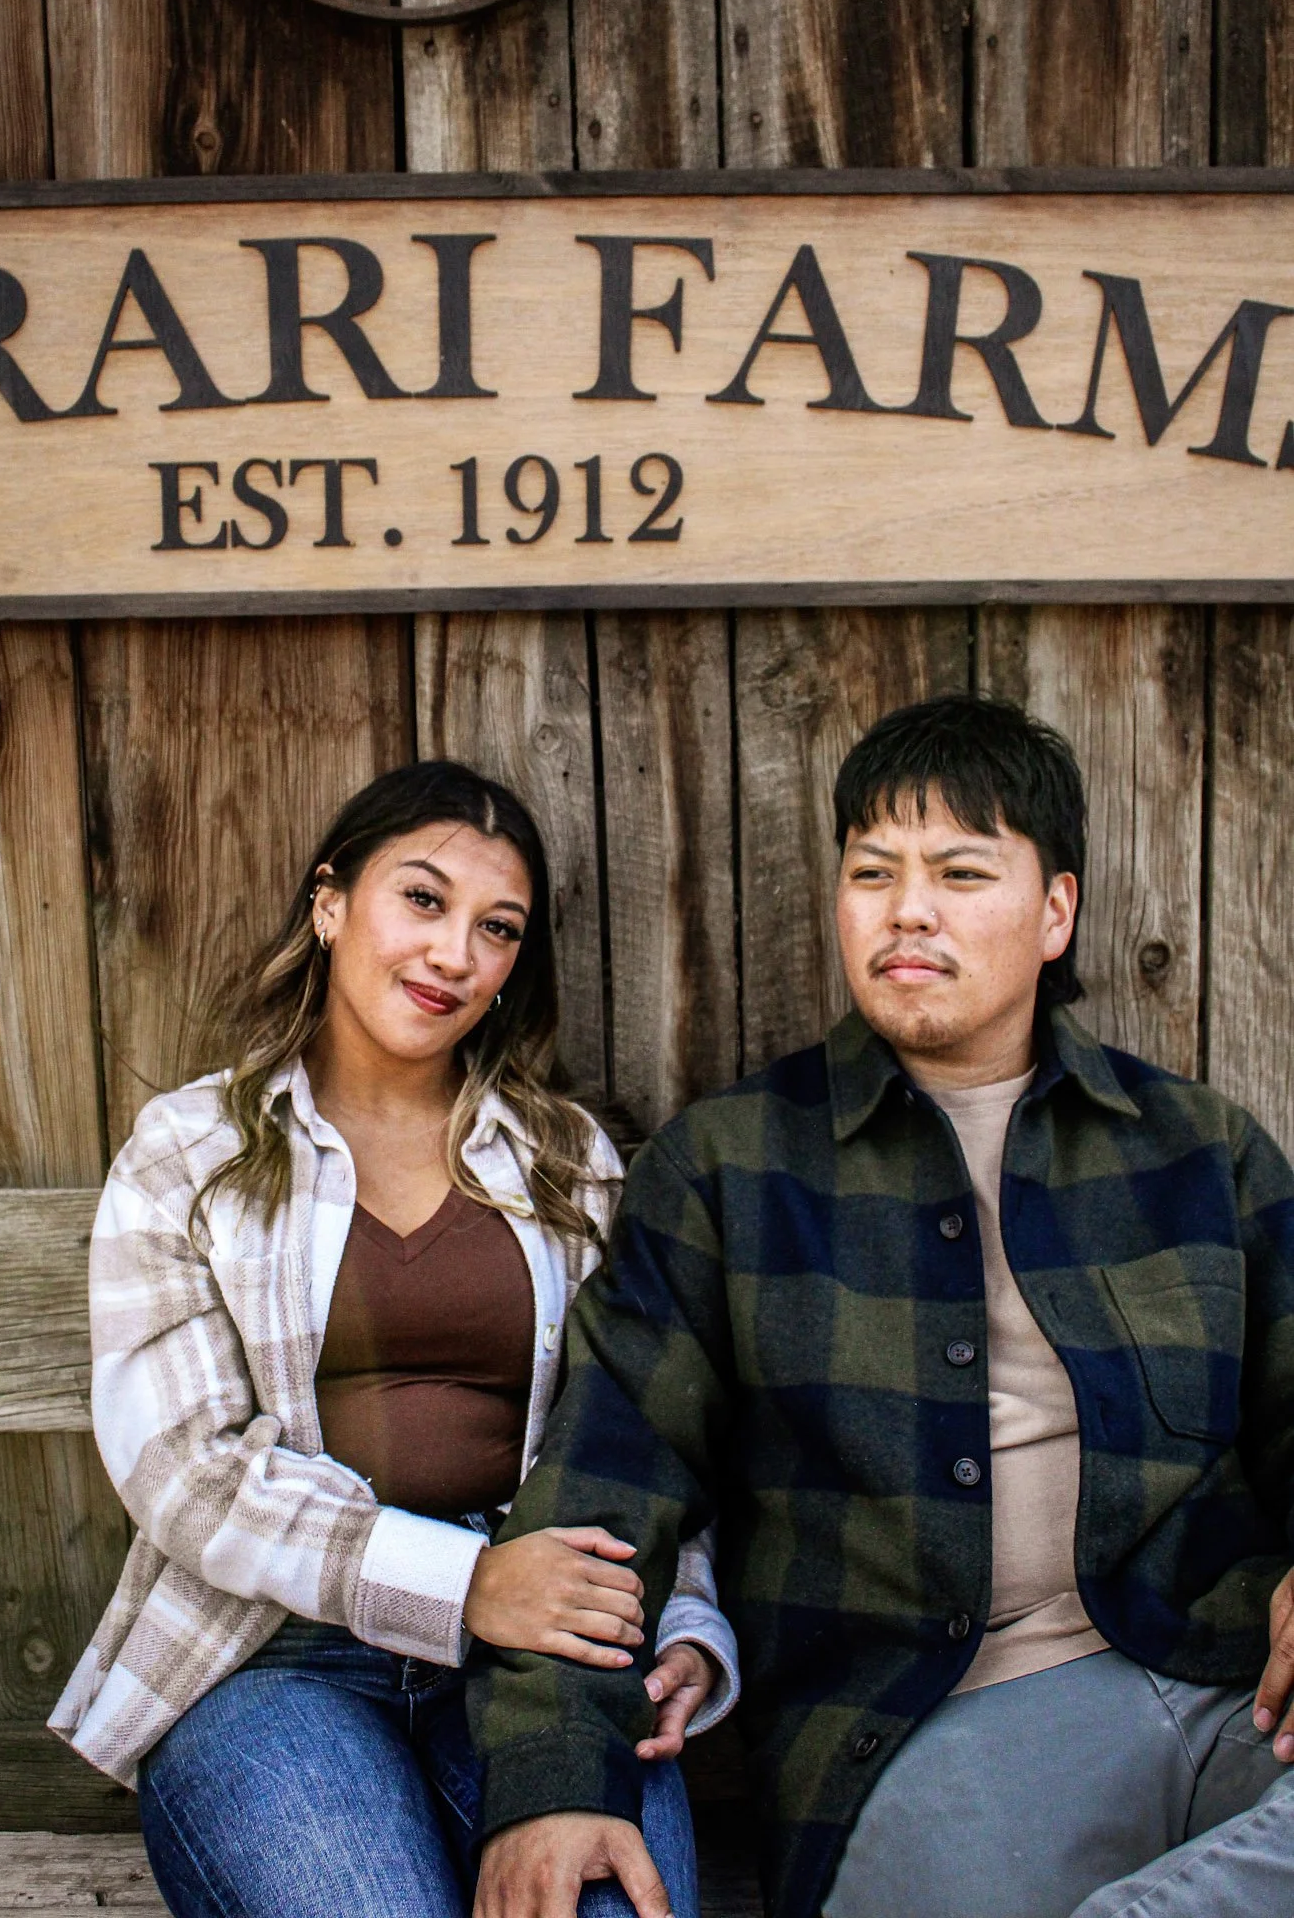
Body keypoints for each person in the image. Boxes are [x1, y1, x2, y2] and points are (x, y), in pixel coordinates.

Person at [470, 695, 1294, 1918]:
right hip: (930, 1732)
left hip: (1234, 1690)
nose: (909, 909)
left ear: (1054, 911)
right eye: (874, 872)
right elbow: (601, 1493)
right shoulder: (733, 1169)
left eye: (963, 871)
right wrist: (552, 1775)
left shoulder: (1195, 1149)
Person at [49, 759, 738, 1918]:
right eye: (421, 899)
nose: (454, 953)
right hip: (268, 1654)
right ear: (330, 902)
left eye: (497, 927)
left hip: (540, 1661)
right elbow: (186, 1470)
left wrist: (680, 1625)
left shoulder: (570, 1160)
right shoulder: (191, 1153)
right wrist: (467, 1582)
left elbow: (649, 1428)